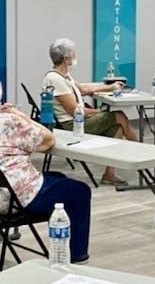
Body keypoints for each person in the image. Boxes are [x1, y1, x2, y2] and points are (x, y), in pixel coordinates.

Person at [0, 74, 92, 263]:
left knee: (58, 178)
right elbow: (48, 140)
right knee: (79, 192)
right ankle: (77, 257)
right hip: (14, 199)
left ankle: (61, 241)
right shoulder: (10, 122)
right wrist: (18, 115)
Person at [41, 38, 137, 185]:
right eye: (73, 54)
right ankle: (142, 152)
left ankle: (109, 174)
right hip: (71, 125)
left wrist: (109, 87)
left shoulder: (63, 76)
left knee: (116, 127)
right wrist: (99, 112)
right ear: (66, 58)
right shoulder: (55, 79)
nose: (75, 56)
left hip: (78, 120)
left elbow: (82, 89)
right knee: (119, 116)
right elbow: (75, 112)